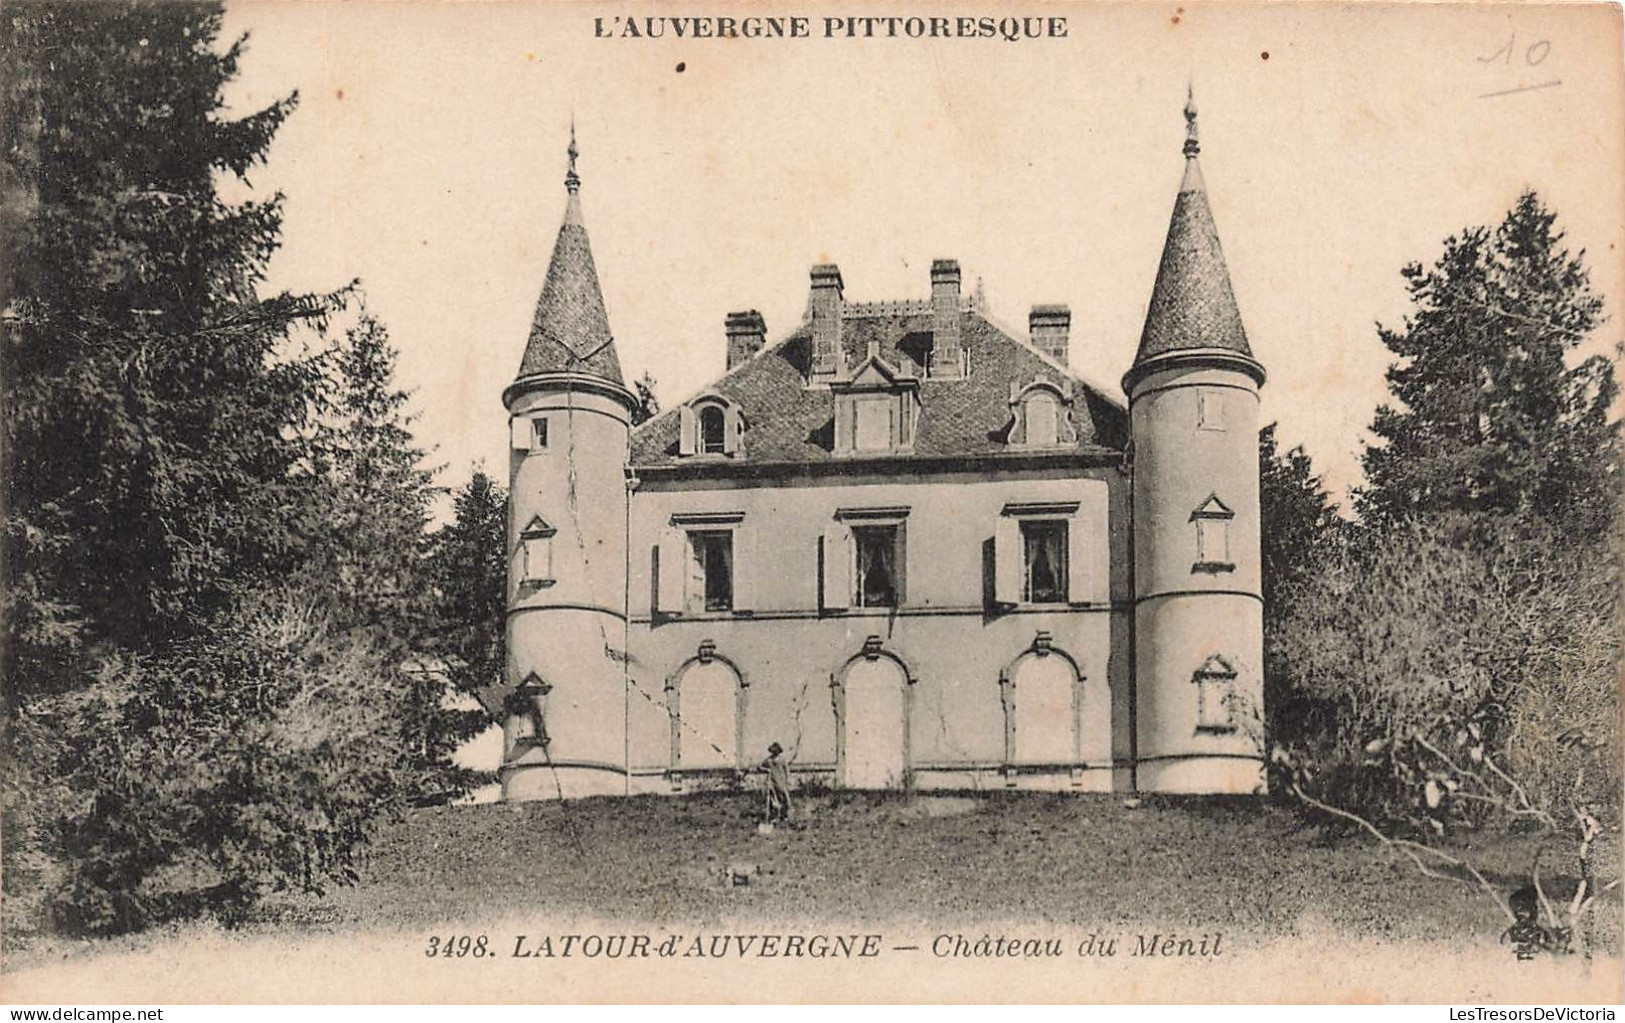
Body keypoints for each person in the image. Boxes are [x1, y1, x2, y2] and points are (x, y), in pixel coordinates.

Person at [760, 741, 791, 822]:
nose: (775, 752)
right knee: (773, 798)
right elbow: (759, 767)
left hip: (781, 781)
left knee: (784, 798)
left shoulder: (782, 760)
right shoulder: (768, 760)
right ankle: (774, 816)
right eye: (773, 751)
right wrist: (766, 769)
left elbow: (786, 770)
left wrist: (787, 780)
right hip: (772, 781)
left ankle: (784, 816)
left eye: (776, 750)